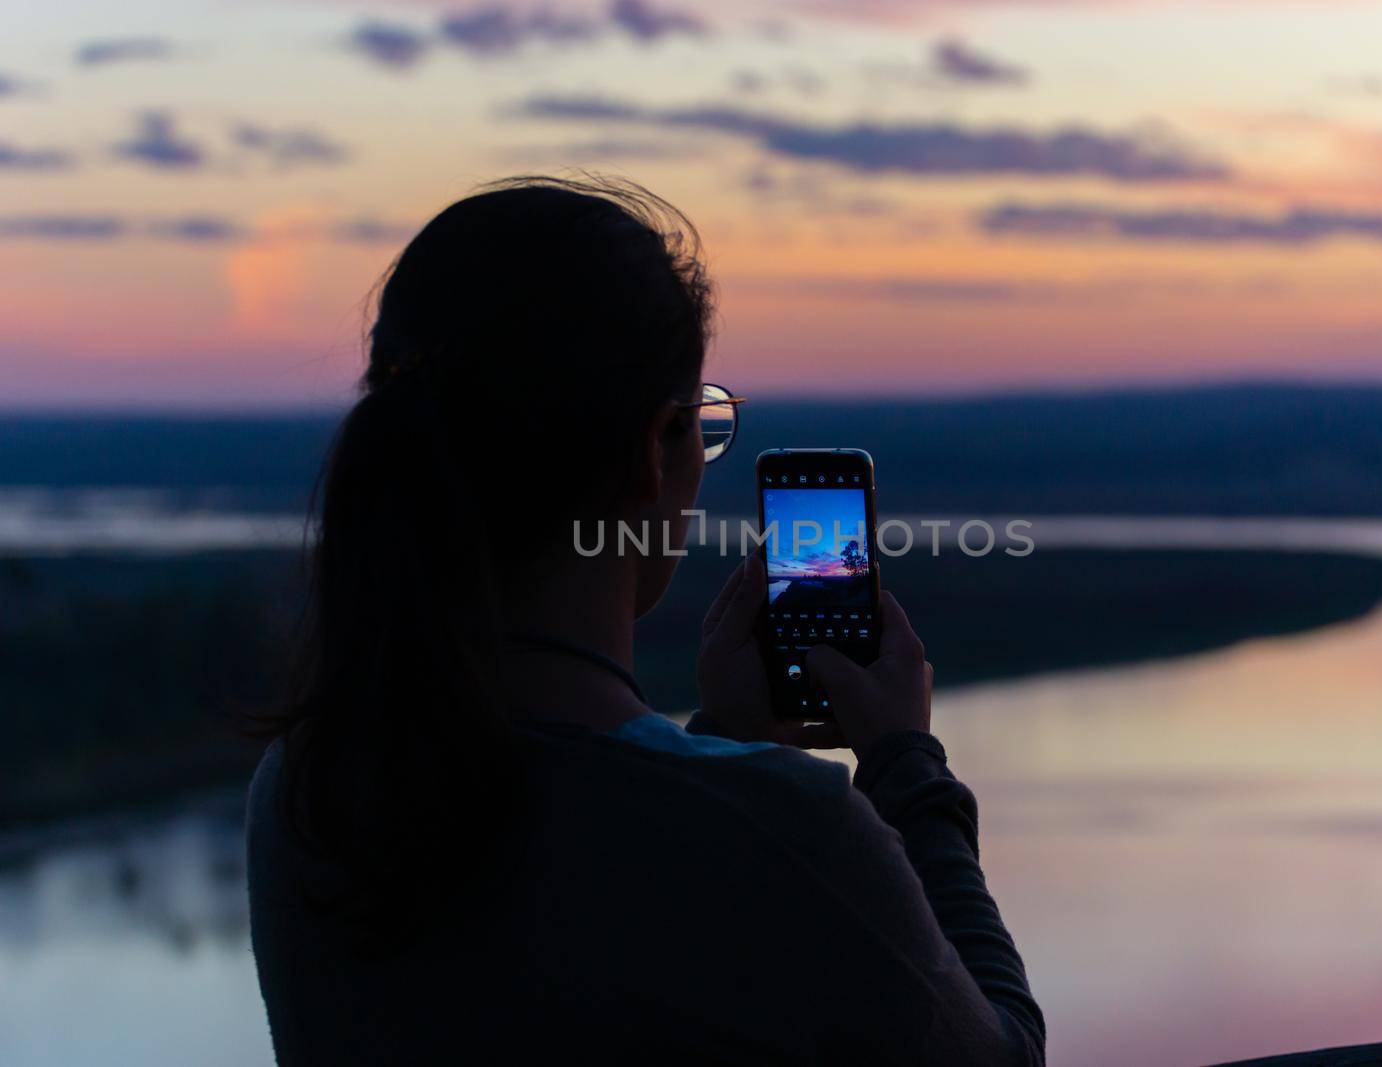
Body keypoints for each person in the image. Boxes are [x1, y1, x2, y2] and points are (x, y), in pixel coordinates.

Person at [246, 176, 1045, 1066]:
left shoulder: (307, 794)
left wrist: (719, 742)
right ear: (652, 449)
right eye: (701, 423)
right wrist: (908, 769)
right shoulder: (789, 827)